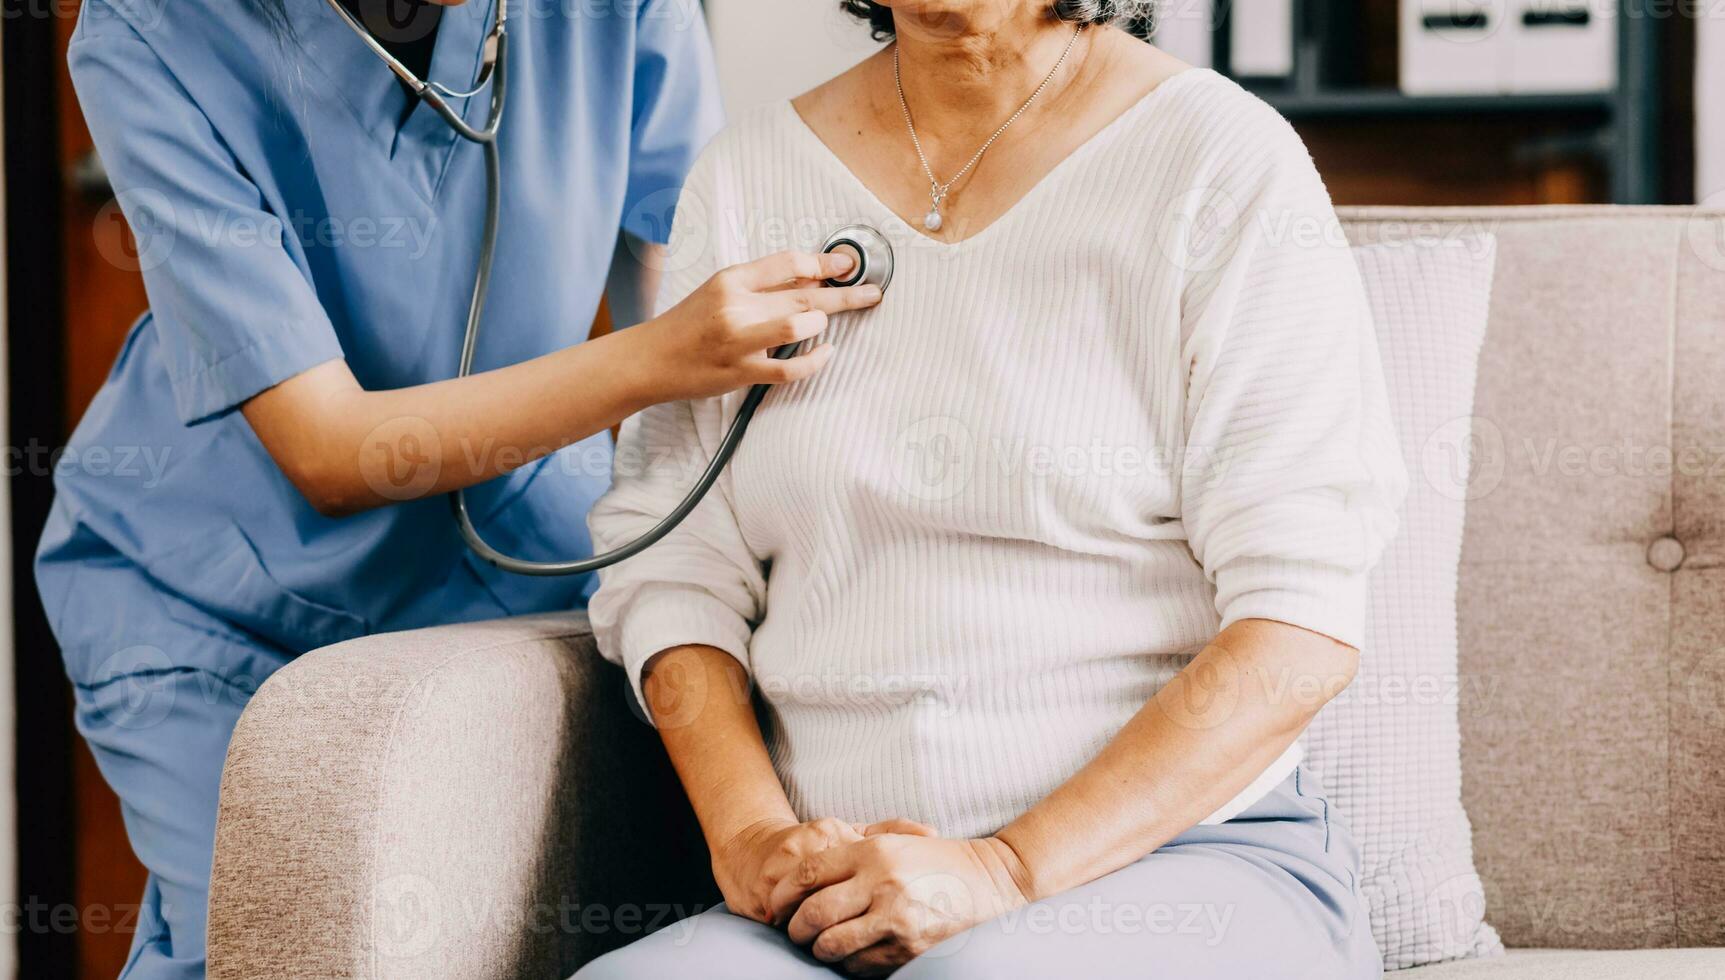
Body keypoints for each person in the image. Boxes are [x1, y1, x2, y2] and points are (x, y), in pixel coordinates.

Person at [36, 1, 882, 977]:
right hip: (221, 596)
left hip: (522, 560)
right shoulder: (153, 32)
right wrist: (663, 355)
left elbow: (675, 269)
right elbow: (326, 448)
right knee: (260, 944)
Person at [578, 0, 1406, 977]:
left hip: (1180, 857)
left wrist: (1002, 869)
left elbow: (1298, 629)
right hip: (835, 887)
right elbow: (672, 570)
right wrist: (755, 835)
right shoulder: (747, 175)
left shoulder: (1222, 160)